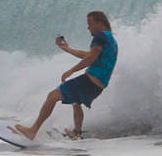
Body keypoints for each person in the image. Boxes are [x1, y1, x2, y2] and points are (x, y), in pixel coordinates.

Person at [12, 10, 118, 141]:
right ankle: (77, 133)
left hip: (89, 82)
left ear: (100, 23)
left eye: (90, 24)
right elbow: (87, 54)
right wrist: (67, 48)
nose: (88, 27)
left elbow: (90, 57)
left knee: (52, 96)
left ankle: (32, 131)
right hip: (97, 87)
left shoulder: (100, 36)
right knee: (76, 102)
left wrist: (72, 70)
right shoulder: (111, 40)